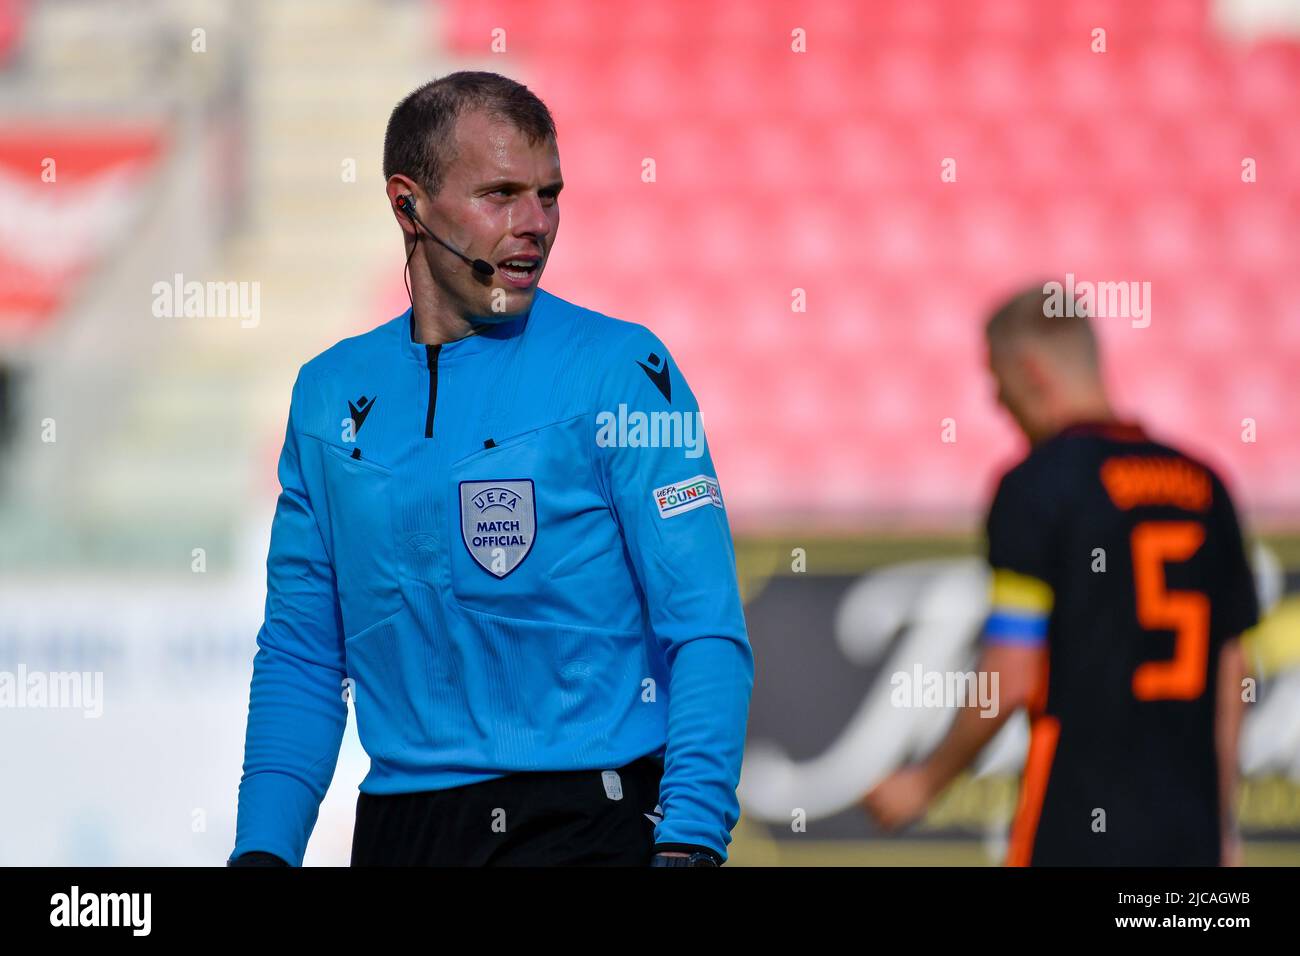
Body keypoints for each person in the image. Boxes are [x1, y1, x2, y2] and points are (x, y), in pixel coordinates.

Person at [228, 71, 753, 867]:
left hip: (591, 824)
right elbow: (303, 653)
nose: (533, 224)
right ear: (408, 204)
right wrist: (263, 851)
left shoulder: (623, 369)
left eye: (549, 195)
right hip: (403, 832)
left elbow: (706, 626)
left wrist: (689, 840)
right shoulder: (328, 393)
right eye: (500, 195)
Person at [863, 285, 1257, 866]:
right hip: (1189, 839)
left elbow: (1014, 670)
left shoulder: (1039, 487)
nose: (998, 402)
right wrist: (1220, 821)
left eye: (997, 382)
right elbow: (1232, 673)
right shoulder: (1204, 486)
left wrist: (925, 782)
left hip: (1077, 830)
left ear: (1029, 371)